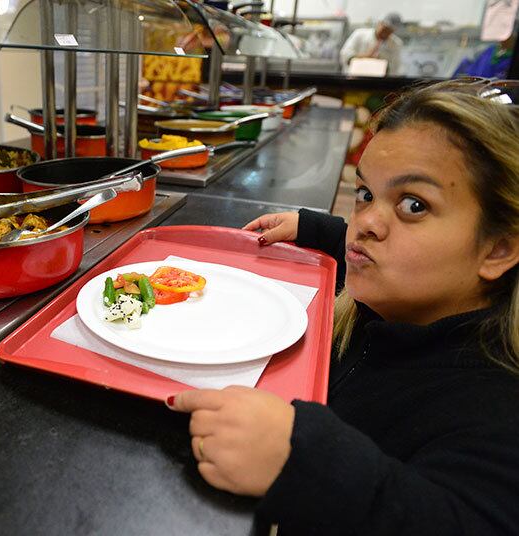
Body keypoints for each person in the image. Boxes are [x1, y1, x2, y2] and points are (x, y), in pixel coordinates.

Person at [167, 79, 519, 534]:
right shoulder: (406, 289)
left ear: (497, 249)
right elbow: (354, 238)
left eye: (414, 204)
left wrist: (303, 460)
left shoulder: (497, 411)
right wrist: (311, 227)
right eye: (367, 193)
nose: (366, 223)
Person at [340, 13, 404, 76]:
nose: (385, 34)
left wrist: (380, 63)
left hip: (378, 83)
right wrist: (366, 57)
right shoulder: (359, 34)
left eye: (389, 32)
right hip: (353, 79)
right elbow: (345, 55)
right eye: (384, 30)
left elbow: (395, 68)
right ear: (379, 23)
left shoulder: (396, 44)